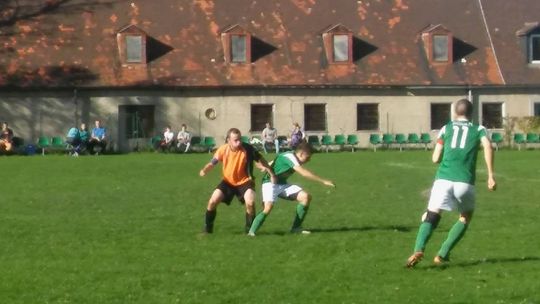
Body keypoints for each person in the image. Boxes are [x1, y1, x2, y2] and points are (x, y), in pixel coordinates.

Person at [406, 98, 496, 268]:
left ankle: (418, 249)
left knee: (432, 214)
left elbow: (435, 159)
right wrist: (491, 175)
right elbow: (488, 147)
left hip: (443, 180)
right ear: (472, 113)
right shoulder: (479, 129)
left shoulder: (445, 128)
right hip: (465, 182)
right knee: (465, 216)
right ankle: (442, 254)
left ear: (455, 112)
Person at [248, 142, 335, 236]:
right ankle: (251, 232)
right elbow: (303, 173)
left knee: (305, 197)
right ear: (301, 154)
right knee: (268, 208)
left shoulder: (290, 155)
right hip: (269, 183)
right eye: (308, 157)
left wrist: (265, 166)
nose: (309, 160)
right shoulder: (290, 157)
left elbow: (273, 162)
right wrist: (323, 181)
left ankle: (296, 228)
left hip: (282, 184)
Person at [199, 127, 276, 234]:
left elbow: (260, 159)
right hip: (227, 182)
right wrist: (205, 169)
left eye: (240, 139)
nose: (239, 142)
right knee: (212, 201)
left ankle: (250, 230)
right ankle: (207, 229)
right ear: (228, 140)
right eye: (235, 140)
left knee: (250, 202)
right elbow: (213, 162)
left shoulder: (247, 149)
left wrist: (270, 171)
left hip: (245, 182)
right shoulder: (223, 149)